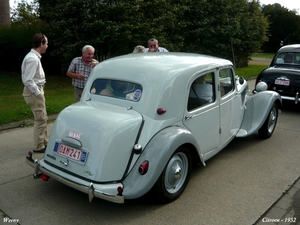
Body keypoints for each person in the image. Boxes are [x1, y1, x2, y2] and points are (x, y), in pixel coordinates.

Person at [21, 33, 49, 153]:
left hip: (36, 90)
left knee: (43, 118)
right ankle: (39, 146)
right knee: (40, 119)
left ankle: (44, 142)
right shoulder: (32, 59)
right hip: (34, 92)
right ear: (41, 44)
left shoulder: (34, 57)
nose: (47, 45)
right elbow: (27, 80)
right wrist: (38, 93)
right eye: (46, 43)